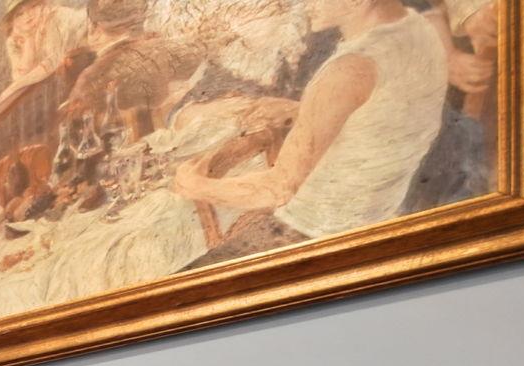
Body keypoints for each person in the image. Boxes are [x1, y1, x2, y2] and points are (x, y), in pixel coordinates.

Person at [174, 0, 447, 266]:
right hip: (375, 215)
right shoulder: (419, 31)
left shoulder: (348, 68)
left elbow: (277, 189)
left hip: (312, 235)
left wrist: (196, 185)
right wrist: (301, 110)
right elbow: (382, 115)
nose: (303, 5)